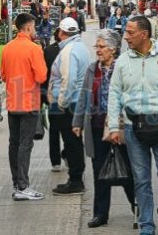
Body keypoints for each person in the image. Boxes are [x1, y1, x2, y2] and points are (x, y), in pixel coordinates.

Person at [107, 16, 158, 235]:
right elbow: (114, 94)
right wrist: (114, 126)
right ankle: (146, 225)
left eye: (130, 32)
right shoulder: (123, 61)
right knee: (141, 179)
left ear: (144, 34)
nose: (126, 36)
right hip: (134, 128)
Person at [73, 29, 135, 229]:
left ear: (113, 49)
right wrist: (77, 122)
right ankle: (100, 214)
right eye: (97, 47)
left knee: (127, 172)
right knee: (100, 172)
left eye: (101, 47)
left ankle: (139, 210)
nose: (97, 50)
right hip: (97, 128)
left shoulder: (125, 68)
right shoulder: (93, 69)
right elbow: (83, 96)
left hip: (122, 129)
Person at [1, 13, 47, 201]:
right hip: (28, 102)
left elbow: (3, 75)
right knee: (25, 145)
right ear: (28, 28)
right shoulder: (34, 49)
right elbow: (42, 76)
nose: (35, 30)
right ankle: (23, 185)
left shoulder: (7, 48)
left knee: (14, 143)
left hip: (13, 101)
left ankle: (16, 182)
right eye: (34, 27)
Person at [48, 18, 91, 195]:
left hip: (69, 104)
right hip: (77, 101)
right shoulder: (80, 47)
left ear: (61, 32)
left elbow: (69, 80)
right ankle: (76, 176)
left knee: (71, 142)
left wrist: (61, 103)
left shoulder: (68, 50)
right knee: (74, 142)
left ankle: (75, 180)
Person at [43, 30, 65, 171]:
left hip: (53, 97)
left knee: (54, 130)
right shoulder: (73, 49)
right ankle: (68, 156)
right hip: (67, 97)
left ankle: (55, 161)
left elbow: (43, 75)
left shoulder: (48, 50)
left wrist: (44, 96)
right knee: (69, 131)